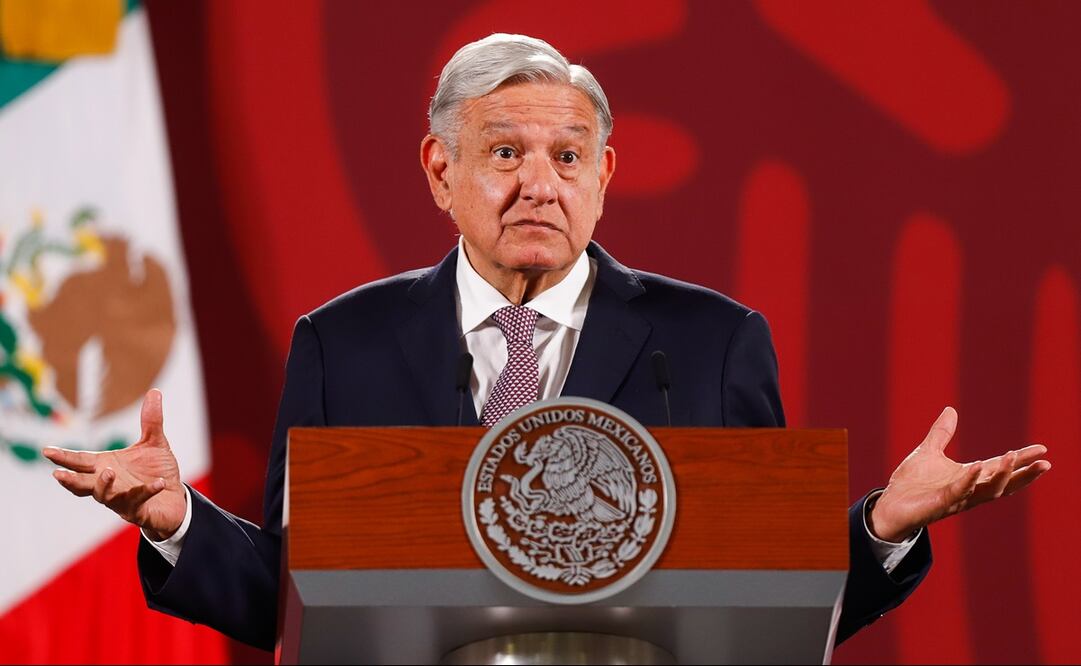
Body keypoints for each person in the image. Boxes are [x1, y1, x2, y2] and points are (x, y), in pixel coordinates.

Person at [44, 33, 1050, 652]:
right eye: (505, 153)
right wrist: (179, 520)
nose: (540, 182)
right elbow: (290, 598)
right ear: (441, 172)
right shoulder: (342, 344)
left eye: (569, 156)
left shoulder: (710, 344)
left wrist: (882, 524)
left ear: (606, 173)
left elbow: (771, 588)